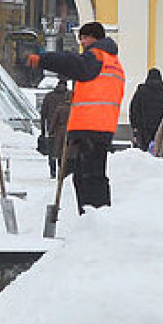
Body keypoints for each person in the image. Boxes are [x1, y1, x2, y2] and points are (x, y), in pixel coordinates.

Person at [27, 21, 124, 212]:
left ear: (95, 38)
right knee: (88, 175)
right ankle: (94, 216)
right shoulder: (114, 63)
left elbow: (71, 62)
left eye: (85, 38)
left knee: (89, 177)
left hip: (90, 125)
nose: (82, 43)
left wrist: (43, 60)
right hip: (102, 126)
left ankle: (93, 218)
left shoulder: (96, 56)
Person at [128, 67, 163, 152]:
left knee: (143, 154)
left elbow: (134, 109)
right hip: (160, 129)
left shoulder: (141, 91)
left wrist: (135, 126)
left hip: (143, 129)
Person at [39, 77, 71, 179]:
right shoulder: (69, 98)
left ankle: (53, 172)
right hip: (67, 130)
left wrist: (44, 131)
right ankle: (62, 171)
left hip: (52, 129)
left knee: (52, 151)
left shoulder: (49, 96)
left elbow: (43, 114)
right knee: (64, 151)